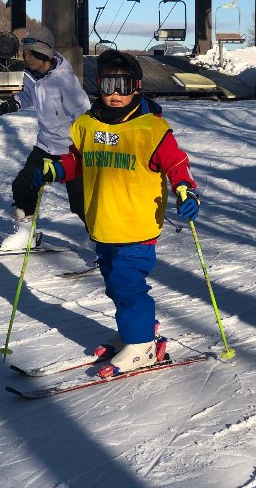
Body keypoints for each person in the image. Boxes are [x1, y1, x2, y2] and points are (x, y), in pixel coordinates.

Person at [30, 49, 200, 377]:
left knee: (127, 283)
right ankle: (136, 330)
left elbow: (176, 163)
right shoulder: (87, 125)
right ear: (99, 85)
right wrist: (55, 169)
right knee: (114, 283)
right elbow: (77, 160)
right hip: (103, 222)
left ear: (137, 86)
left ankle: (142, 345)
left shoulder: (151, 129)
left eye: (124, 85)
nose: (116, 94)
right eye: (109, 84)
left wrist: (184, 189)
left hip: (137, 225)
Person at [0, 26, 90, 251]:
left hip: (71, 149)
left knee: (80, 202)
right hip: (45, 145)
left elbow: (85, 115)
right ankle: (26, 235)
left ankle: (102, 242)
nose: (25, 58)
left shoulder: (66, 81)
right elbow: (28, 95)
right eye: (24, 53)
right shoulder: (32, 76)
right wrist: (9, 104)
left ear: (44, 54)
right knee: (23, 186)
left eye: (29, 54)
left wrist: (86, 146)